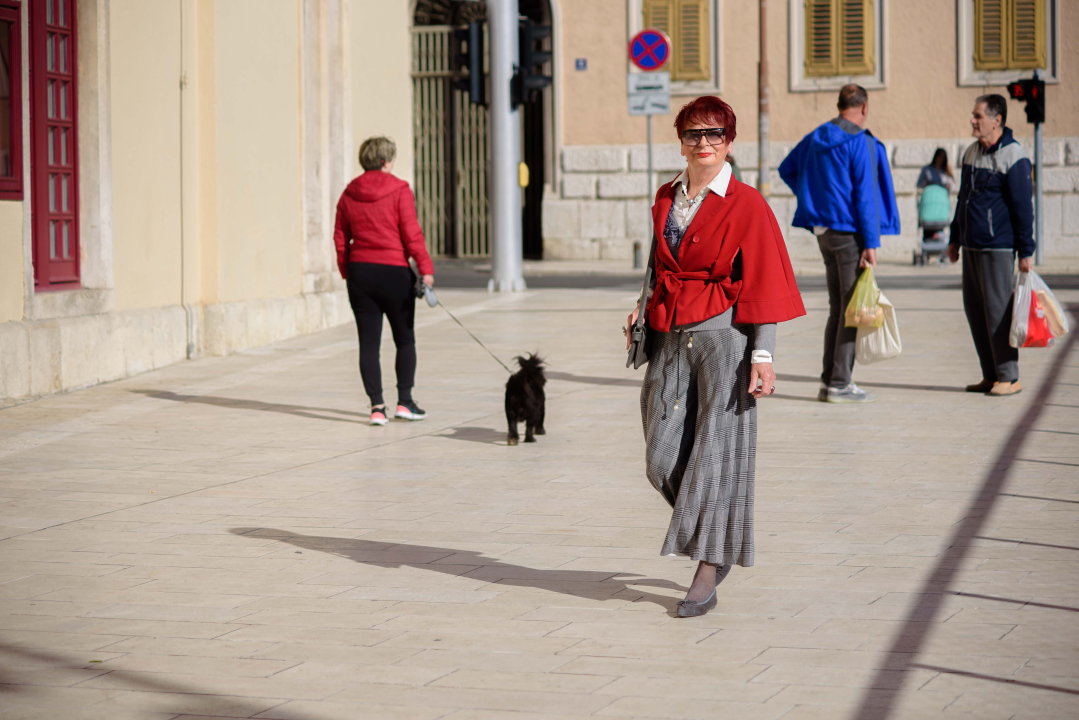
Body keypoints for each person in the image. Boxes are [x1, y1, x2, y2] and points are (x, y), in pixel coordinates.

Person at [625, 96, 805, 618]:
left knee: (715, 457)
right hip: (668, 334)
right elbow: (659, 266)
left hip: (726, 340)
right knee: (660, 459)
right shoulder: (665, 196)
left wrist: (763, 354)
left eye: (715, 134)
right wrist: (640, 310)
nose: (704, 143)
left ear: (729, 141)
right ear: (680, 140)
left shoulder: (747, 203)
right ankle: (716, 534)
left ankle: (708, 564)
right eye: (693, 134)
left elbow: (764, 281)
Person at [778, 84, 900, 404]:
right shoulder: (860, 141)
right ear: (864, 107)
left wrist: (813, 198)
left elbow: (786, 169)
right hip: (849, 234)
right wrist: (871, 243)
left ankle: (829, 380)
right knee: (851, 310)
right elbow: (865, 196)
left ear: (840, 105)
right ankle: (840, 383)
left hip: (824, 232)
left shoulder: (816, 136)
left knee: (839, 308)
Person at [333, 136, 435, 425]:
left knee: (368, 344)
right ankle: (405, 402)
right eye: (391, 159)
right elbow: (411, 234)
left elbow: (340, 236)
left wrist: (346, 270)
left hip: (360, 273)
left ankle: (377, 407)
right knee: (404, 339)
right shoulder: (400, 190)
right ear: (385, 161)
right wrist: (425, 269)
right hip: (394, 273)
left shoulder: (349, 192)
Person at [947, 95, 1034, 397]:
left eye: (978, 116)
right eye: (973, 115)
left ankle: (1010, 377)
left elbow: (1024, 208)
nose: (973, 120)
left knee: (998, 312)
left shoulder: (1014, 155)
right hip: (971, 245)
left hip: (998, 246)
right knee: (975, 310)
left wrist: (1026, 251)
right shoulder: (971, 152)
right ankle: (991, 374)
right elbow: (962, 199)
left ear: (996, 120)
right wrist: (954, 237)